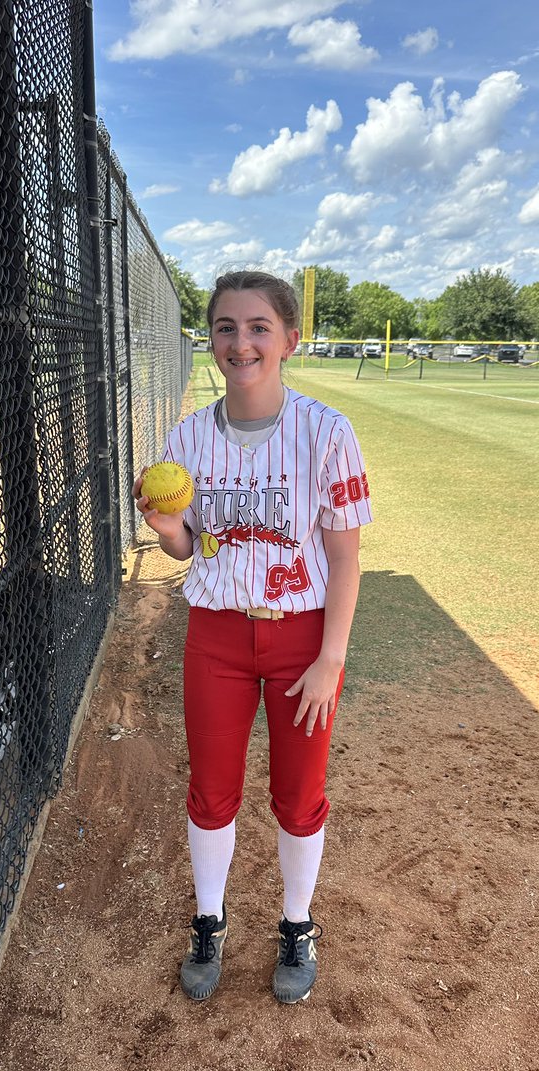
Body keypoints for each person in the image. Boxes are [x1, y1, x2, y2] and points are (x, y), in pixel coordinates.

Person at [133, 269, 373, 1004]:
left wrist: (331, 658)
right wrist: (167, 527)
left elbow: (345, 557)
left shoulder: (327, 432)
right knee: (212, 790)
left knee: (300, 795)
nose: (241, 343)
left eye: (259, 327)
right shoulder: (187, 437)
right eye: (226, 328)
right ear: (211, 340)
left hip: (302, 638)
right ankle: (209, 919)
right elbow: (189, 547)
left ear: (290, 340)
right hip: (216, 636)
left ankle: (297, 924)